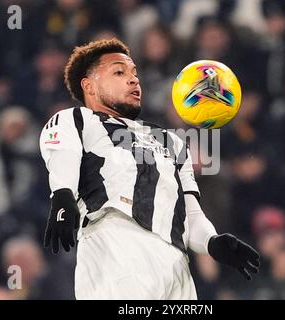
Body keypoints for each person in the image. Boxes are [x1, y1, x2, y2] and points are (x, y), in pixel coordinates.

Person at [39, 38, 260, 299]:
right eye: (119, 72)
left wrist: (211, 242)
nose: (133, 80)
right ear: (89, 85)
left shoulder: (173, 141)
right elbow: (63, 152)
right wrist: (63, 194)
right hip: (117, 248)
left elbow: (189, 211)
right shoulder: (76, 119)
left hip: (177, 266)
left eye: (135, 73)